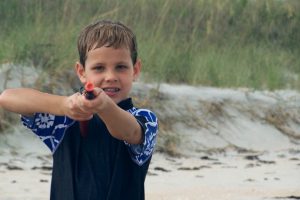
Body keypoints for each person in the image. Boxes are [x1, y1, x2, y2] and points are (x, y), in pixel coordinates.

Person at [0, 20, 158, 200]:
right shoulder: (64, 121)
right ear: (82, 72)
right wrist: (63, 105)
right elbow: (7, 97)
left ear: (135, 70)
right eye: (99, 68)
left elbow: (128, 131)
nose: (110, 77)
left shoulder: (145, 119)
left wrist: (104, 106)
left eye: (120, 67)